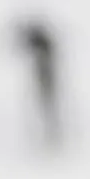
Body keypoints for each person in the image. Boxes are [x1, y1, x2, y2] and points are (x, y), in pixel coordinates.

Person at [13, 14, 65, 152]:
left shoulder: (42, 43)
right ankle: (50, 133)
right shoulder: (43, 42)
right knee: (46, 105)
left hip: (45, 77)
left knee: (47, 105)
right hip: (43, 77)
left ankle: (52, 134)